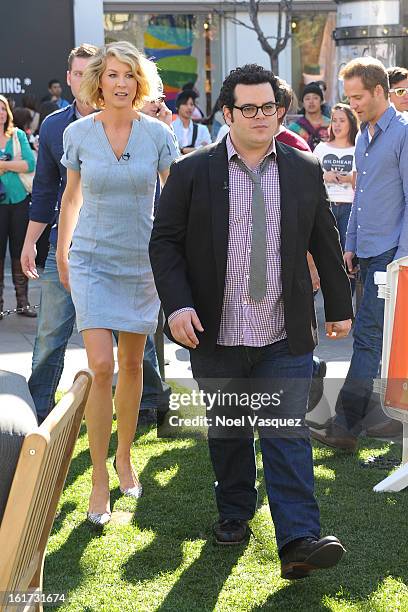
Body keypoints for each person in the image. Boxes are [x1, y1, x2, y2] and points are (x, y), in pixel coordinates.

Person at [150, 64, 353, 579]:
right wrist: (177, 306)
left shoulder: (303, 168)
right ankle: (235, 511)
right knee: (230, 431)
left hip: (282, 332)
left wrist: (340, 306)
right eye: (249, 108)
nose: (261, 116)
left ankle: (299, 541)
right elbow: (165, 243)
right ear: (228, 113)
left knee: (286, 433)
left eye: (269, 107)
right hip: (215, 332)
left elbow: (323, 239)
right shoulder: (193, 171)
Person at [56, 41, 179, 527]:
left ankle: (124, 455)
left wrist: (179, 261)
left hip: (143, 262)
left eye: (129, 74)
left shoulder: (158, 135)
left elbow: (175, 201)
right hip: (91, 259)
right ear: (97, 82)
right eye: (111, 75)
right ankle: (99, 479)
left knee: (132, 362)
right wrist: (62, 255)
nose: (121, 83)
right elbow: (70, 199)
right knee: (101, 366)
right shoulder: (77, 134)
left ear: (140, 81)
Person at [310, 57, 408, 450]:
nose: (353, 105)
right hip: (364, 252)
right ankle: (378, 417)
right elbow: (361, 195)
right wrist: (348, 245)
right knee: (372, 340)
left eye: (358, 97)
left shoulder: (403, 134)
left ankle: (346, 425)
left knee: (367, 340)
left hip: (391, 256)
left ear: (380, 91)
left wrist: (400, 262)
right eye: (348, 97)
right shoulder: (365, 134)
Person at [21, 44, 98, 422]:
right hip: (63, 245)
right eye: (78, 73)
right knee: (50, 335)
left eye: (91, 72)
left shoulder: (123, 119)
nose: (84, 81)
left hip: (114, 245)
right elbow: (47, 191)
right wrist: (30, 241)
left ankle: (149, 402)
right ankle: (38, 409)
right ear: (68, 78)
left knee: (133, 336)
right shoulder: (54, 125)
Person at [0, 95, 36, 319]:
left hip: (19, 202)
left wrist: (2, 165)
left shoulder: (18, 135)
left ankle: (23, 303)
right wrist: (14, 166)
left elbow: (29, 164)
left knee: (19, 252)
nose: (0, 113)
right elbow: (20, 165)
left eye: (3, 109)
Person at [314, 103, 358, 250]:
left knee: (348, 252)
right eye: (334, 120)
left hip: (350, 208)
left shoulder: (358, 149)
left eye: (342, 120)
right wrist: (324, 176)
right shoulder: (321, 148)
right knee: (327, 251)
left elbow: (366, 181)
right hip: (326, 206)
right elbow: (309, 178)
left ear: (351, 123)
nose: (337, 125)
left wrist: (349, 178)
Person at [288, 82, 330, 151]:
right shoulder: (294, 128)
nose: (311, 101)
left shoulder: (330, 125)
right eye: (307, 99)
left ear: (321, 101)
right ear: (303, 103)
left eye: (315, 98)